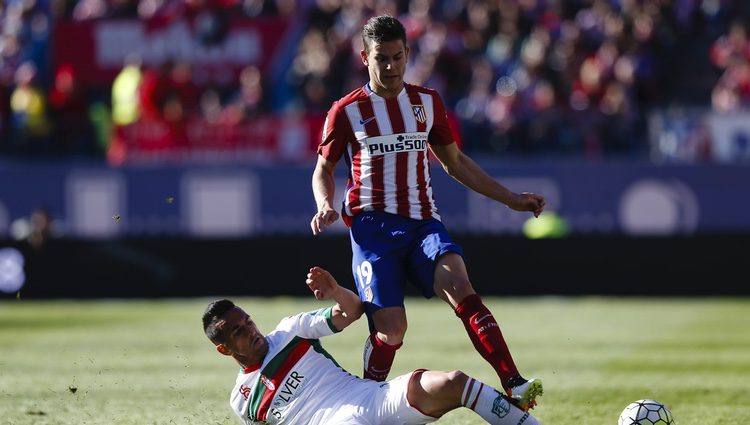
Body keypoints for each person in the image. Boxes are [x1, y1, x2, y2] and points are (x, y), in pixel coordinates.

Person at [310, 14, 546, 410]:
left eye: (397, 57)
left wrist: (511, 199)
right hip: (373, 230)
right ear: (364, 56)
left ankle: (514, 383)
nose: (390, 66)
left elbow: (455, 163)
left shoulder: (426, 102)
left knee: (462, 288)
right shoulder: (347, 110)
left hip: (423, 223)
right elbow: (324, 168)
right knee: (392, 332)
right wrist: (324, 204)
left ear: (408, 54)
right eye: (381, 58)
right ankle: (366, 402)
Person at [202, 266, 543, 425]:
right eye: (237, 332)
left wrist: (335, 291)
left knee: (452, 382)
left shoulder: (290, 331)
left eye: (247, 321)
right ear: (225, 350)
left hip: (369, 398)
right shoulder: (242, 401)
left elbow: (350, 311)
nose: (250, 330)